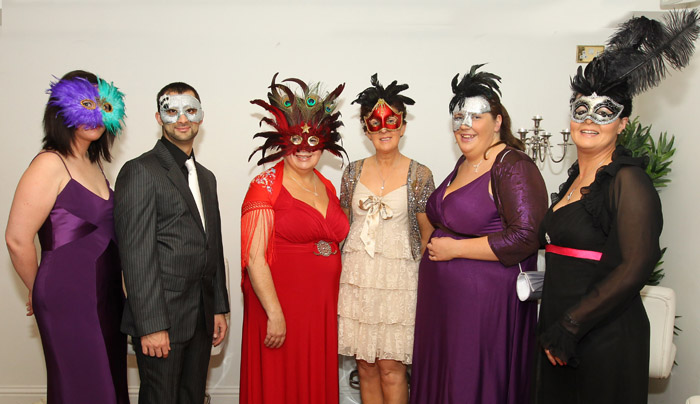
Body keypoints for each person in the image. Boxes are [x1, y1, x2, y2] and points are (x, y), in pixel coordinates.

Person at [534, 11, 699, 404]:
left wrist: (572, 325)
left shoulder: (629, 181)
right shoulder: (572, 179)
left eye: (604, 112)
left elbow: (635, 266)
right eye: (581, 108)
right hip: (558, 330)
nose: (589, 120)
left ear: (623, 123)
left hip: (602, 336)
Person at [410, 64, 548, 404]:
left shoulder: (512, 165)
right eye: (458, 117)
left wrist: (456, 250)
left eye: (475, 116)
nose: (465, 125)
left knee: (470, 384)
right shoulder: (465, 163)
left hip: (484, 307)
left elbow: (526, 236)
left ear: (498, 121)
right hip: (445, 306)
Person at [5, 70, 129, 404]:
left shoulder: (94, 164)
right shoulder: (49, 163)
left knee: (109, 381)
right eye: (84, 103)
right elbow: (17, 239)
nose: (94, 113)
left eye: (101, 104)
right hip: (67, 296)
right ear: (61, 110)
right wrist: (37, 288)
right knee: (83, 385)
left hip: (106, 296)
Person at [114, 82, 230, 404]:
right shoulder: (140, 171)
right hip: (161, 318)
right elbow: (136, 255)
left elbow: (213, 246)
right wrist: (150, 325)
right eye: (172, 110)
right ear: (158, 117)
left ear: (201, 117)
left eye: (190, 110)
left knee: (192, 397)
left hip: (202, 316)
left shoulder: (206, 177)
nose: (182, 119)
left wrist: (219, 307)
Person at [240, 74, 350, 404]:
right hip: (281, 305)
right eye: (295, 142)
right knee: (281, 383)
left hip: (320, 307)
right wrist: (274, 312)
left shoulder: (326, 184)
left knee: (313, 380)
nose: (304, 150)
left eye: (313, 142)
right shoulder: (265, 185)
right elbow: (254, 257)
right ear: (281, 141)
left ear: (325, 143)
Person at [337, 74, 434, 403]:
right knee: (364, 365)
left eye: (392, 120)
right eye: (375, 123)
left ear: (403, 125)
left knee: (392, 366)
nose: (384, 128)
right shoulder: (351, 172)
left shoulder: (420, 174)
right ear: (366, 129)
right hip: (358, 280)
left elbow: (427, 234)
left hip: (399, 282)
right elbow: (341, 228)